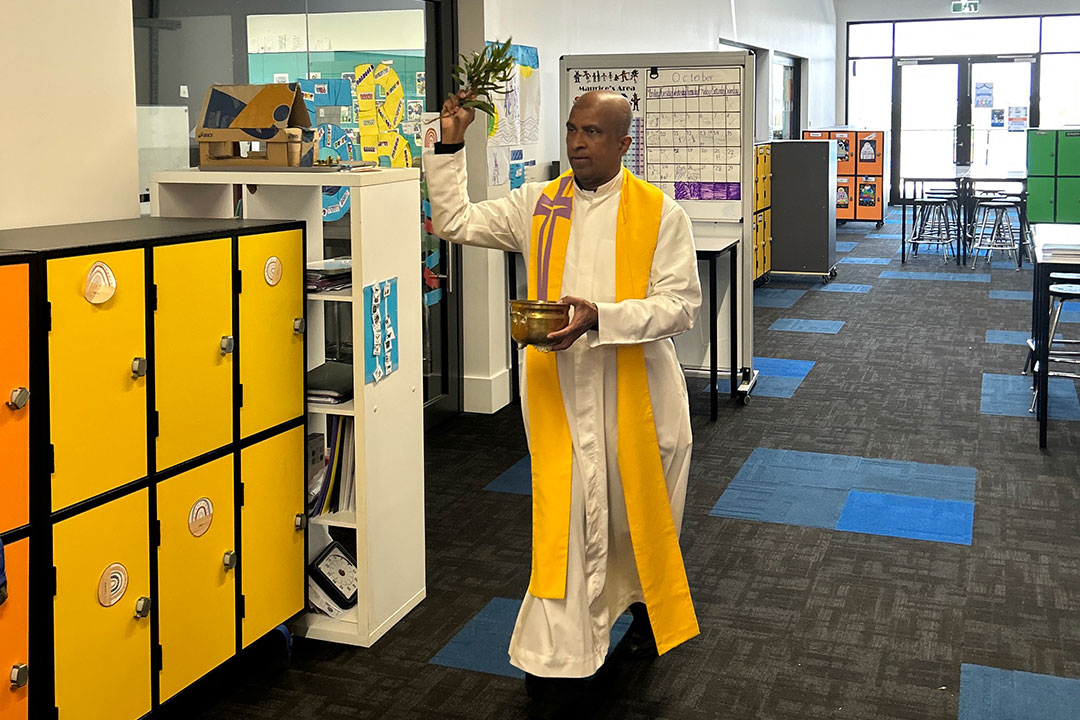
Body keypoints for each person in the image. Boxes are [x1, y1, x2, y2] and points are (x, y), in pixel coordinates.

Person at [426, 89, 701, 707]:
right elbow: (455, 220)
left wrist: (599, 317)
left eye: (594, 133)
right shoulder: (538, 204)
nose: (578, 142)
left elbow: (681, 304)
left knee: (636, 517)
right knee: (571, 516)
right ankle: (559, 651)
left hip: (639, 392)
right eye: (573, 130)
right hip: (560, 390)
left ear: (624, 144)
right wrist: (449, 143)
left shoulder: (662, 214)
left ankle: (642, 613)